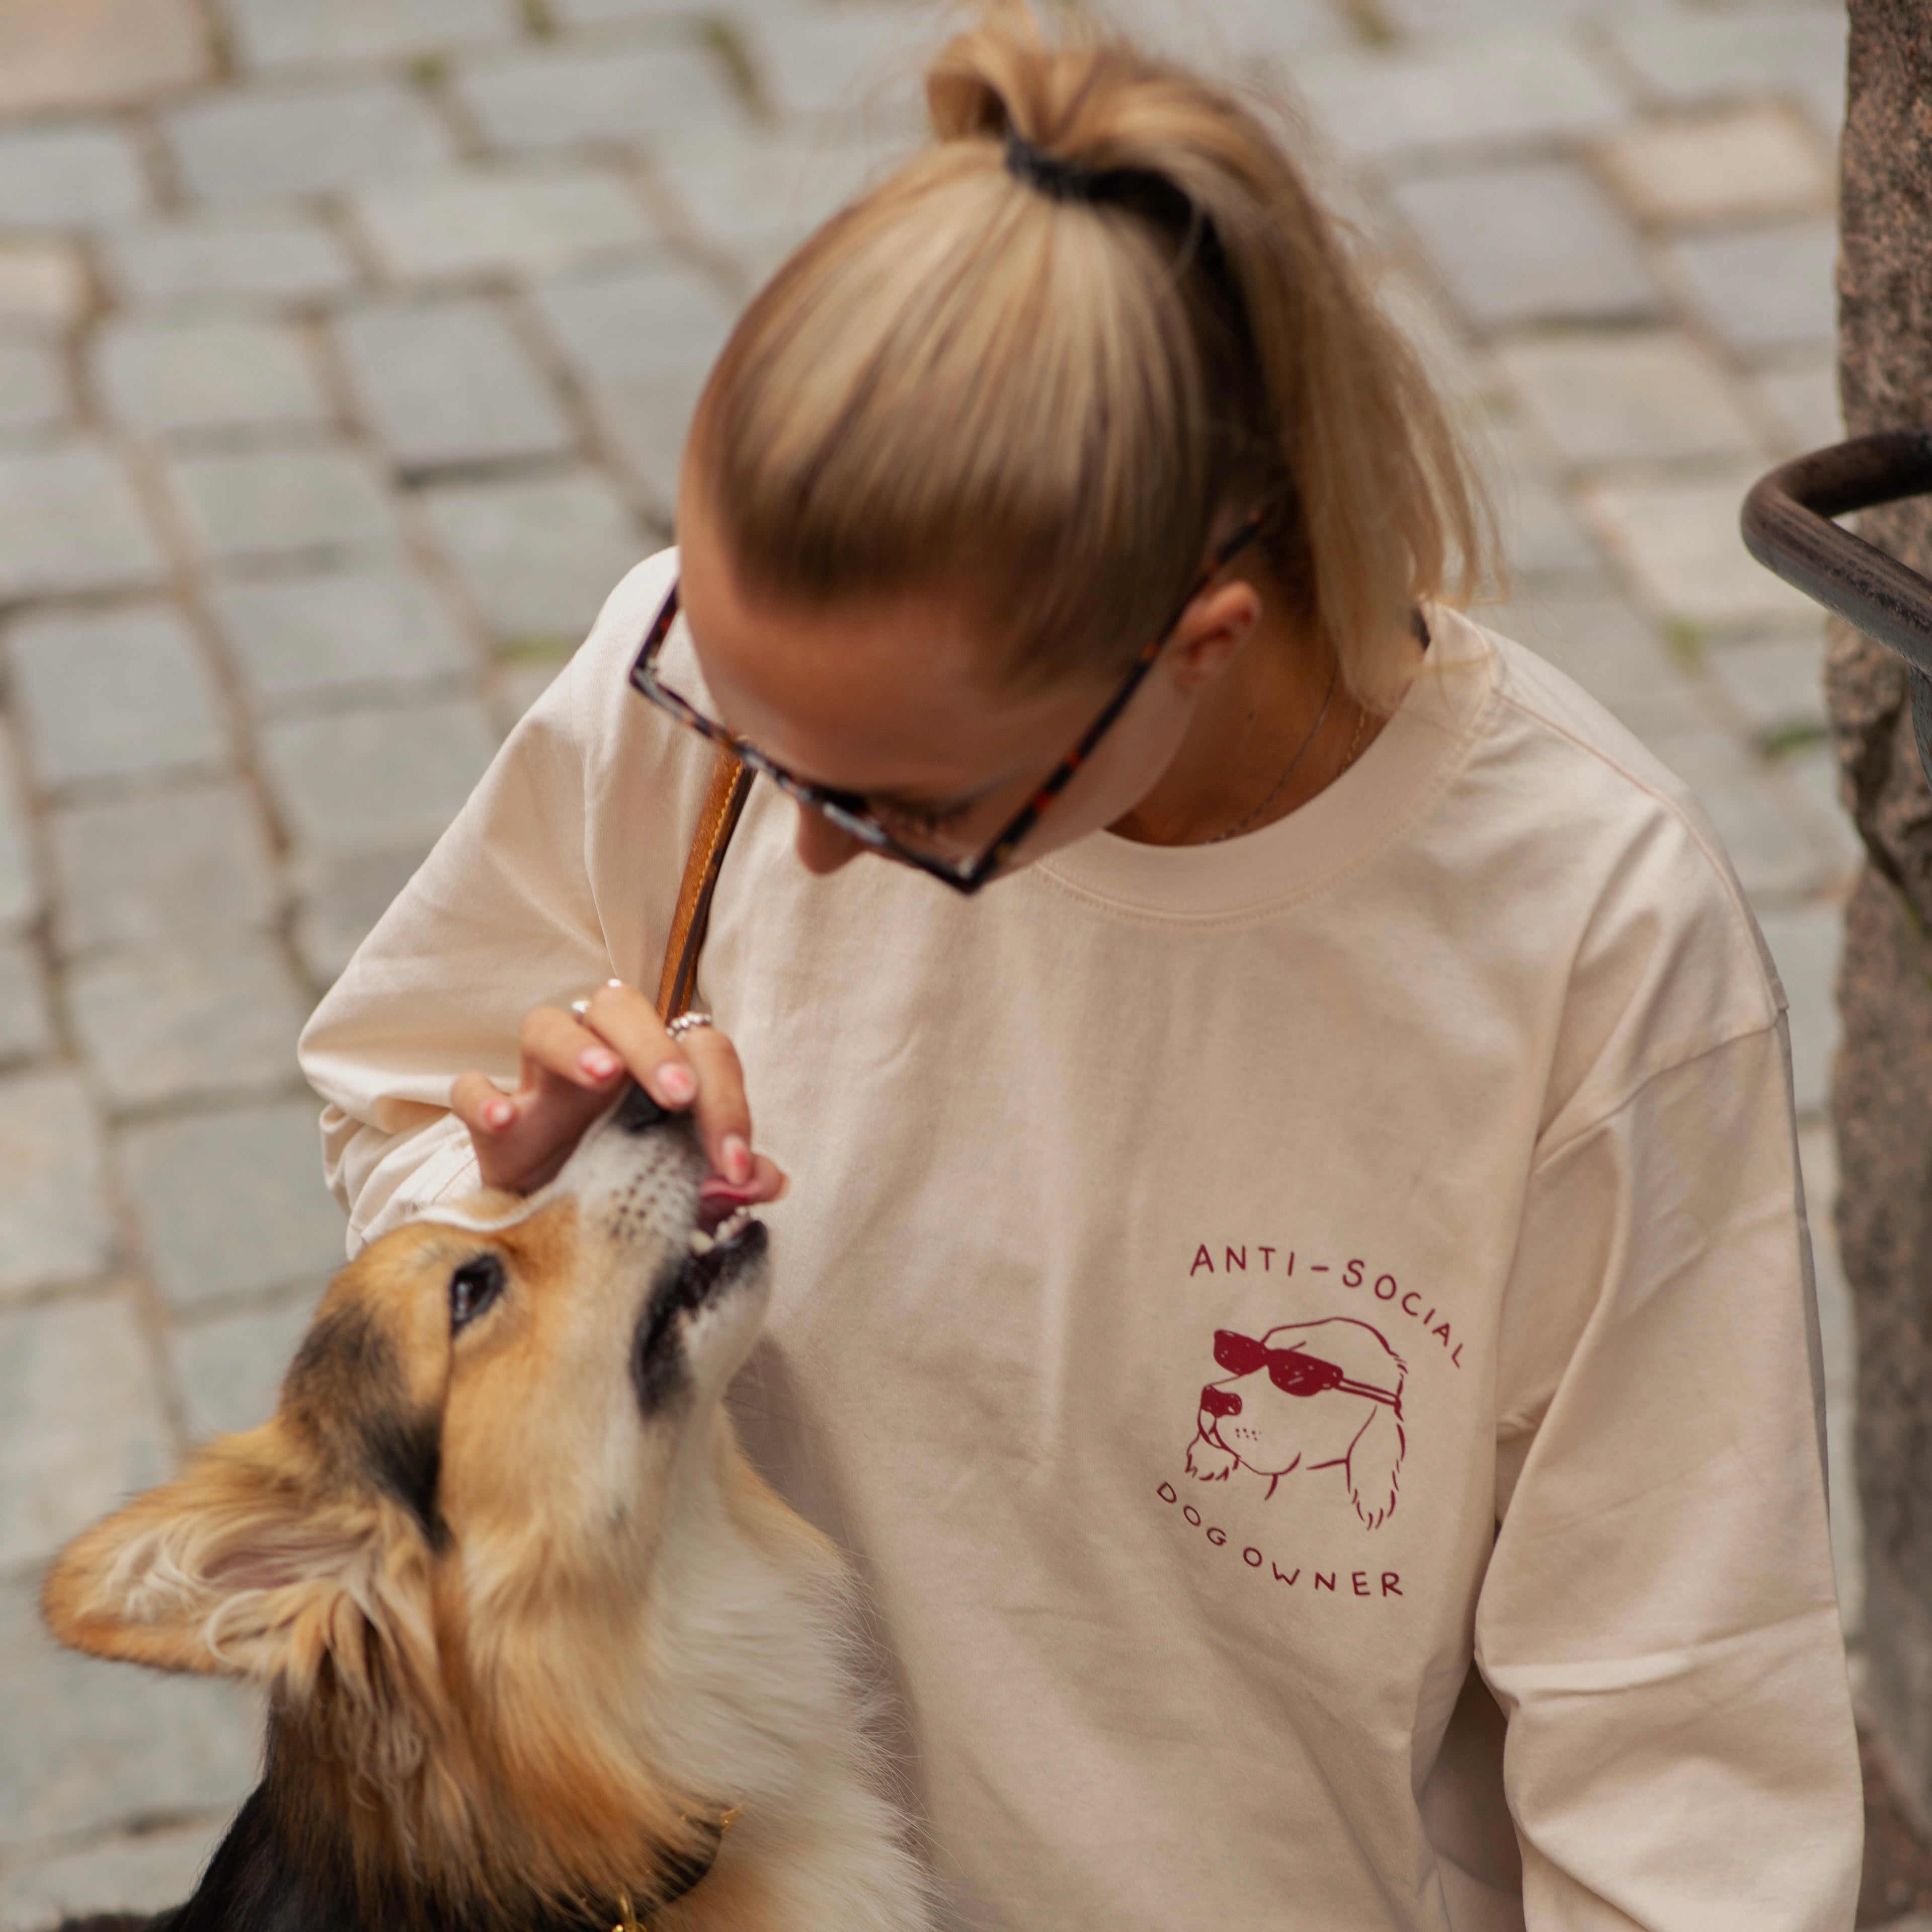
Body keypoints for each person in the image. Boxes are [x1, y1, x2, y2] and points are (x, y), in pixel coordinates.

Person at [297, 6, 1863, 1925]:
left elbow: (1685, 1775)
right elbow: (399, 1098)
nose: (794, 848)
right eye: (750, 736)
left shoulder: (1585, 949)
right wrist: (513, 1205)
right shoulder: (696, 698)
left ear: (1200, 640)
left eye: (901, 807)